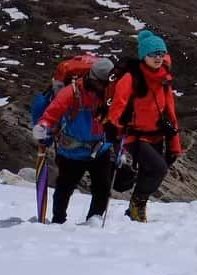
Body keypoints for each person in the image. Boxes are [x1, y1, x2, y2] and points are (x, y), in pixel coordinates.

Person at [104, 30, 182, 222]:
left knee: (150, 171)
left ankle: (136, 211)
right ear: (143, 56)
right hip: (133, 136)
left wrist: (174, 146)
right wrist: (114, 127)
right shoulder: (131, 78)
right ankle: (137, 205)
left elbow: (170, 113)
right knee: (158, 169)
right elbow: (118, 105)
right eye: (153, 54)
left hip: (156, 134)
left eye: (161, 54)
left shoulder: (164, 79)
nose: (157, 58)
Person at [32, 57, 115, 224]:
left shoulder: (108, 92)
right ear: (94, 79)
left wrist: (119, 145)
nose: (106, 88)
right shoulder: (71, 92)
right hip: (72, 153)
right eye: (103, 84)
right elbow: (52, 112)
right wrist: (43, 125)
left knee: (103, 189)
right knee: (64, 189)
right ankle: (58, 222)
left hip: (100, 150)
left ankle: (94, 221)